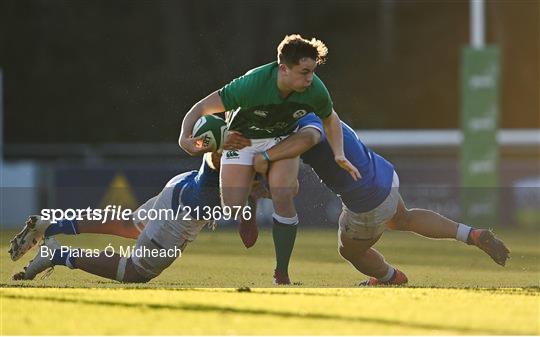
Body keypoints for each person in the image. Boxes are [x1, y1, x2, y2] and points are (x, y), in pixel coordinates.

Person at [227, 113, 510, 285]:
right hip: (383, 175)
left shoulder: (297, 130)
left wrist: (261, 173)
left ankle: (390, 277)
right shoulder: (318, 109)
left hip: (366, 200)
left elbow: (292, 186)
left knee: (349, 251)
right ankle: (471, 234)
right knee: (403, 218)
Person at [178, 34, 360, 285]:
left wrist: (338, 153)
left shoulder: (314, 88)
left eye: (313, 71)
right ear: (283, 69)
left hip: (281, 138)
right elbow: (200, 108)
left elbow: (330, 118)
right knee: (231, 207)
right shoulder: (252, 84)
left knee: (285, 192)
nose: (310, 78)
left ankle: (281, 272)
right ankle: (251, 195)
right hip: (242, 139)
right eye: (304, 72)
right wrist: (184, 139)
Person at [9, 152, 263, 282]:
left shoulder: (248, 135)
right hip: (183, 212)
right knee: (136, 272)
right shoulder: (258, 156)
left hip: (182, 185)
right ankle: (56, 255)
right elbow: (248, 237)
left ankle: (50, 224)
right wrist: (251, 198)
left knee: (131, 225)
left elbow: (208, 146)